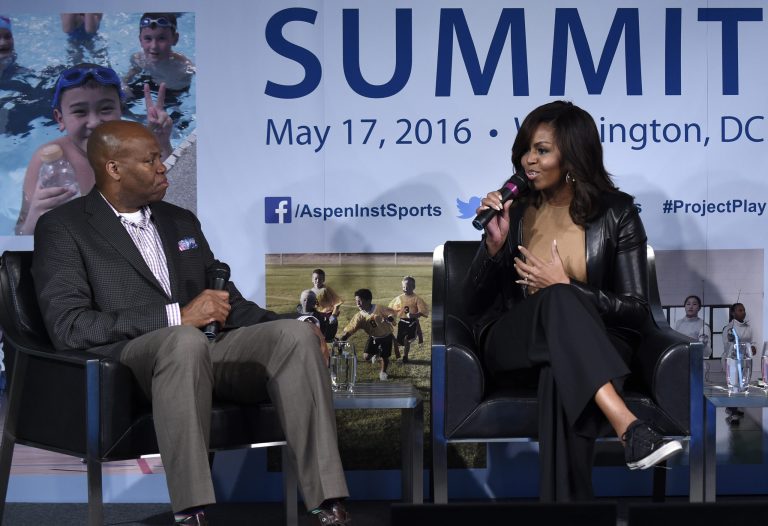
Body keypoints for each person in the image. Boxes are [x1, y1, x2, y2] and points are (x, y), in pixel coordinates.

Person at [31, 121, 351, 526]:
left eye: (160, 158)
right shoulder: (64, 227)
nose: (163, 167)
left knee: (292, 337)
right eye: (150, 161)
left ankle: (327, 503)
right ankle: (192, 511)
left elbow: (227, 302)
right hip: (131, 364)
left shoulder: (180, 221)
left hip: (206, 349)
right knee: (183, 340)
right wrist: (177, 317)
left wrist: (304, 321)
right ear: (113, 168)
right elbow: (70, 327)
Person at [467, 100, 683, 501]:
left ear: (573, 155)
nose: (528, 160)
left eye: (542, 150)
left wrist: (568, 285)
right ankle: (629, 426)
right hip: (514, 342)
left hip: (588, 346)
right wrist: (494, 248)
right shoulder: (514, 212)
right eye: (526, 149)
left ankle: (568, 513)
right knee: (559, 301)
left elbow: (637, 311)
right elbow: (473, 305)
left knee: (561, 369)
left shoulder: (616, 213)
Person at [15, 63, 172, 236]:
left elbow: (169, 196)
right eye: (80, 112)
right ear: (60, 119)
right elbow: (21, 230)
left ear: (121, 109)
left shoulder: (137, 147)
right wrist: (34, 218)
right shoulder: (47, 160)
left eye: (106, 109)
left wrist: (162, 143)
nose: (95, 122)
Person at [122, 13, 195, 96]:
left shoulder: (185, 67)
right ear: (140, 40)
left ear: (175, 39)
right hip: (149, 83)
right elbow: (127, 78)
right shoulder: (139, 59)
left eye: (161, 38)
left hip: (173, 93)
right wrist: (124, 86)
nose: (154, 46)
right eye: (148, 38)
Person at [339, 289, 397, 381]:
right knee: (366, 357)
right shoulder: (359, 316)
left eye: (360, 301)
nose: (357, 304)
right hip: (373, 337)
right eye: (356, 301)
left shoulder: (379, 308)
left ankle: (383, 372)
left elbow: (392, 313)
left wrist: (390, 318)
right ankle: (376, 353)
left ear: (368, 300)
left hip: (386, 336)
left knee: (385, 357)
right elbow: (351, 328)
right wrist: (343, 339)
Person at [721, 302, 757, 426]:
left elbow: (753, 342)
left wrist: (753, 348)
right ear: (733, 313)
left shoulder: (749, 327)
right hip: (731, 360)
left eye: (744, 310)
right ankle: (733, 413)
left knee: (743, 385)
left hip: (745, 360)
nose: (743, 312)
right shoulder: (729, 328)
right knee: (734, 385)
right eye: (740, 310)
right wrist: (743, 347)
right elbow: (728, 347)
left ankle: (732, 408)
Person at [388, 276, 429, 363]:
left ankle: (405, 356)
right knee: (399, 342)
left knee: (407, 339)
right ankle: (391, 351)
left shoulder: (417, 298)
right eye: (403, 287)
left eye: (408, 287)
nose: (405, 289)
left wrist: (413, 315)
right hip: (402, 323)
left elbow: (422, 312)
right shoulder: (399, 298)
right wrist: (391, 316)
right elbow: (394, 309)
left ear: (413, 287)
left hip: (412, 323)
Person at [311, 268, 343, 341]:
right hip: (317, 316)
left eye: (320, 279)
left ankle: (337, 344)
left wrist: (334, 315)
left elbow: (337, 302)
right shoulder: (311, 291)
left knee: (328, 338)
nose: (318, 281)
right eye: (315, 279)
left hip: (327, 316)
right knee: (317, 338)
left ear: (324, 279)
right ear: (312, 279)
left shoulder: (326, 289)